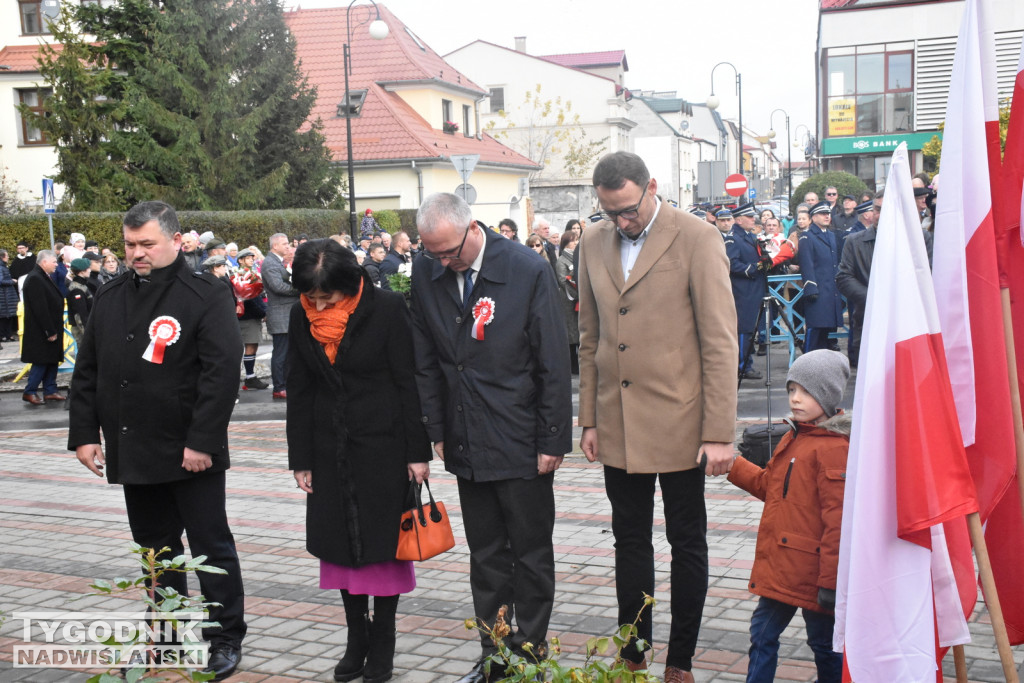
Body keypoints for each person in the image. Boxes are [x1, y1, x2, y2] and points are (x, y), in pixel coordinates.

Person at [576, 152, 738, 683]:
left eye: (626, 210)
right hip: (617, 421)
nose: (620, 222)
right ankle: (635, 644)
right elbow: (591, 338)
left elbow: (719, 342)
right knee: (629, 540)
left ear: (651, 188)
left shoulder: (695, 236)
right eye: (608, 212)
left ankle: (681, 659)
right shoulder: (593, 242)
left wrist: (719, 433)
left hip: (681, 422)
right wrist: (589, 420)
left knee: (686, 541)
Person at [68, 201, 246, 681]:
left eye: (146, 244)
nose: (137, 254)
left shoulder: (206, 293)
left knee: (211, 547)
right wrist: (85, 434)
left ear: (174, 240)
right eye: (130, 245)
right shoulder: (109, 296)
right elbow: (88, 372)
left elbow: (221, 374)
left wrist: (202, 441)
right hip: (134, 447)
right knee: (155, 551)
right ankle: (165, 639)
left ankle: (223, 636)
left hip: (191, 450)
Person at [410, 193, 571, 683]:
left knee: (530, 554)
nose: (442, 262)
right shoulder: (426, 271)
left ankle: (531, 655)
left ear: (471, 229)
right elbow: (426, 359)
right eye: (431, 253)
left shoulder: (525, 269)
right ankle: (496, 655)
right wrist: (436, 430)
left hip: (521, 435)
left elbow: (553, 360)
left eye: (449, 253)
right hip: (466, 436)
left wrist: (552, 439)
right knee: (486, 557)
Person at [286, 239, 430, 683]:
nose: (318, 303)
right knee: (340, 549)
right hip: (328, 449)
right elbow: (301, 387)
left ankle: (382, 644)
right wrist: (301, 458)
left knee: (384, 550)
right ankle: (356, 639)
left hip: (383, 448)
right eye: (310, 295)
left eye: (326, 295)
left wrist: (417, 453)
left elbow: (409, 382)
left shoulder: (386, 308)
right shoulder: (299, 316)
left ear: (349, 284)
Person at [727, 349, 850, 683]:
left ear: (827, 396)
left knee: (824, 644)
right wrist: (732, 465)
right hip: (784, 569)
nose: (795, 399)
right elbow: (772, 487)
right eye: (792, 389)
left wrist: (831, 583)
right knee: (762, 634)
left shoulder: (834, 449)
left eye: (806, 392)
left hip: (814, 575)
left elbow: (838, 523)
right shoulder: (796, 436)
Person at [726, 202, 768, 380]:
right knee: (744, 329)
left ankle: (746, 363)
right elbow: (732, 263)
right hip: (743, 290)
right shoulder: (733, 238)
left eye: (753, 217)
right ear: (739, 220)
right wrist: (753, 267)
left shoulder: (750, 236)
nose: (753, 220)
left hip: (755, 288)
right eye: (750, 217)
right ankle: (742, 365)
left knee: (751, 329)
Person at [21, 250, 65, 405]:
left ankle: (50, 390)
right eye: (54, 261)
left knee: (51, 359)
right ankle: (30, 391)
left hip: (50, 327)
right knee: (41, 361)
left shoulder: (42, 276)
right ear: (44, 262)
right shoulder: (35, 278)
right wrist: (49, 330)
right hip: (41, 330)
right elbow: (40, 308)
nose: (56, 264)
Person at [799, 202, 843, 354]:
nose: (827, 216)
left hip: (831, 289)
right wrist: (811, 287)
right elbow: (807, 264)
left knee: (826, 330)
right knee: (815, 328)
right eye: (823, 214)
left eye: (828, 214)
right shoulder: (807, 236)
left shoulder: (830, 235)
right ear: (813, 218)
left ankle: (820, 365)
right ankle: (808, 360)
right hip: (817, 290)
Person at [263, 233, 299, 399]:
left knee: (286, 352)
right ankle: (279, 386)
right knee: (280, 353)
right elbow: (278, 287)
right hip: (280, 314)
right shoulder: (270, 263)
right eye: (284, 244)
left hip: (286, 313)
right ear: (274, 246)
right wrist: (300, 290)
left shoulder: (277, 262)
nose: (288, 246)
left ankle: (284, 383)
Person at [232, 248, 268, 391]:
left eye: (252, 258)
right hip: (248, 316)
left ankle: (250, 376)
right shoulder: (241, 276)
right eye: (247, 258)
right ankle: (250, 377)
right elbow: (249, 298)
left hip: (251, 315)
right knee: (250, 347)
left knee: (252, 346)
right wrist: (262, 312)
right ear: (240, 260)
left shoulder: (250, 274)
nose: (251, 260)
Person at [554, 230, 580, 375]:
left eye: (577, 240)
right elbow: (563, 280)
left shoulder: (577, 257)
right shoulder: (561, 261)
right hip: (568, 300)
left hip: (578, 300)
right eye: (573, 240)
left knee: (579, 331)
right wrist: (577, 292)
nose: (576, 243)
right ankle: (573, 366)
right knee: (571, 333)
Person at [66, 258, 94, 343]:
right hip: (82, 331)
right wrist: (88, 335)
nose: (90, 270)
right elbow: (80, 315)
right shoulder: (77, 290)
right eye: (88, 268)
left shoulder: (82, 285)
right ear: (82, 271)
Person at [0, 250, 19, 341]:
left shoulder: (3, 267)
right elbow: (1, 281)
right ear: (2, 257)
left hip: (7, 296)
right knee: (5, 317)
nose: (8, 257)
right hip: (5, 296)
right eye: (7, 256)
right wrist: (12, 281)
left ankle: (8, 335)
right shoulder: (1, 267)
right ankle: (4, 335)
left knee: (8, 317)